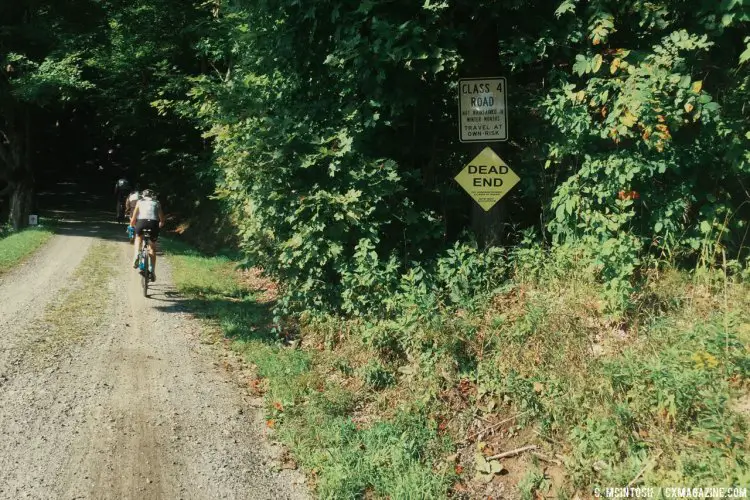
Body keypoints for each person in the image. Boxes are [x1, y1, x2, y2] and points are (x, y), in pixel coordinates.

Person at [129, 189, 165, 282]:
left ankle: (137, 254)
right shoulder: (157, 202)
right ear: (152, 196)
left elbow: (133, 219)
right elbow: (162, 219)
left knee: (138, 238)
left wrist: (131, 225)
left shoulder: (139, 202)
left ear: (143, 196)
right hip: (153, 224)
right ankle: (152, 271)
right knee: (152, 248)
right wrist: (160, 224)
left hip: (142, 222)